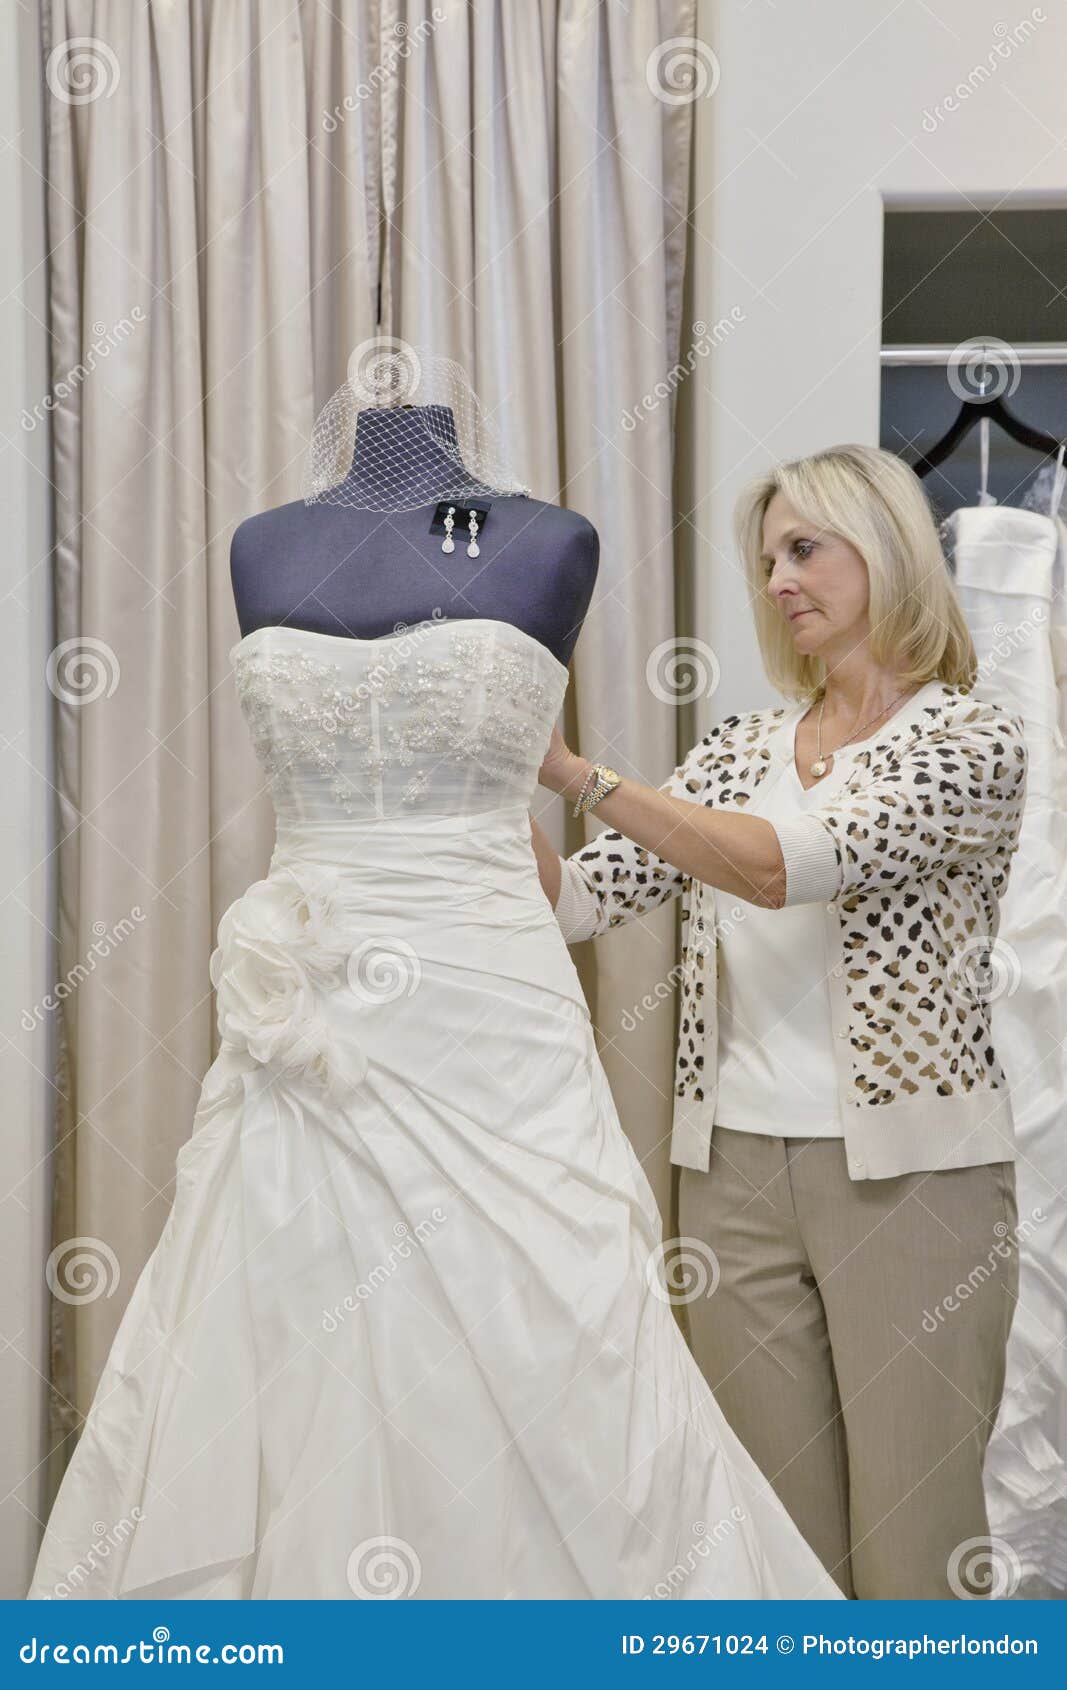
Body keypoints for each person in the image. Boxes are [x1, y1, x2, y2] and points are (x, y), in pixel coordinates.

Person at [533, 443, 1028, 1600]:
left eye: (804, 550)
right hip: (727, 1177)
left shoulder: (969, 739)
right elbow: (574, 900)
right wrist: (470, 776)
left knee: (913, 1547)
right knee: (769, 1546)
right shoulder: (740, 747)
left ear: (886, 551)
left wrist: (572, 770)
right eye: (765, 561)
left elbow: (778, 866)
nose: (778, 581)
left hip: (914, 1184)